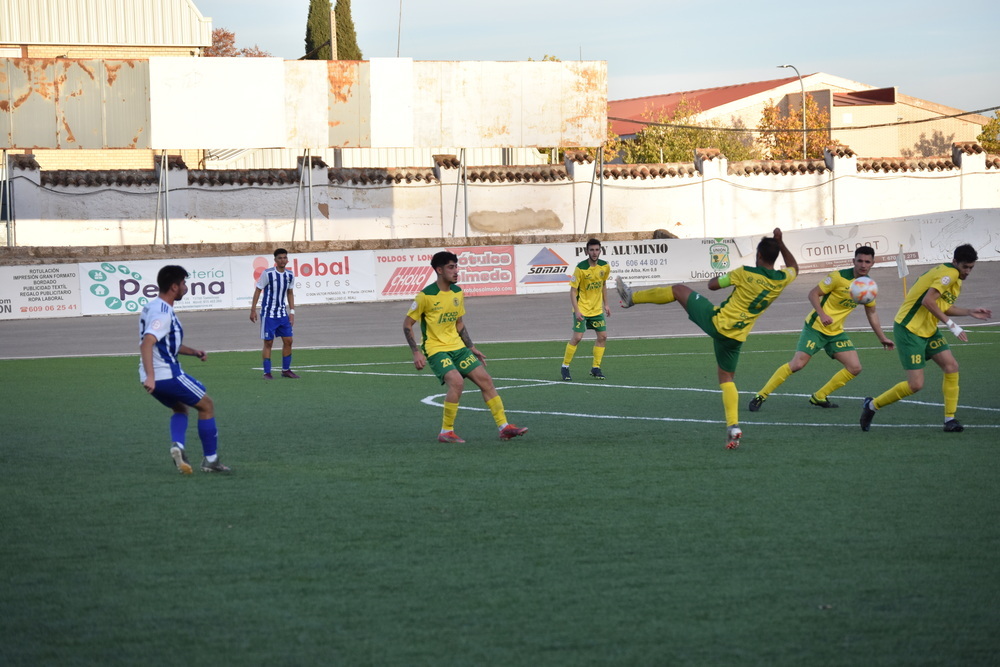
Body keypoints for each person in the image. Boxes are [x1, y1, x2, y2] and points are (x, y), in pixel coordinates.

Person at [616, 228, 798, 449]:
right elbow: (794, 268)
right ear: (775, 257)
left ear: (759, 256)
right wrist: (781, 242)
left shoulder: (745, 273)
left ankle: (631, 298)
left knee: (678, 290)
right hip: (737, 337)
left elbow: (712, 285)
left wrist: (726, 277)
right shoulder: (781, 279)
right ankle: (733, 426)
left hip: (717, 321)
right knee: (727, 378)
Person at [860, 244, 991, 432]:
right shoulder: (950, 274)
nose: (968, 272)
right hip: (909, 329)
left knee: (951, 366)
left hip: (928, 329)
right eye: (965, 267)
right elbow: (927, 301)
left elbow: (942, 307)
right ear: (955, 262)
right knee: (915, 385)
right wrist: (951, 325)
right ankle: (871, 406)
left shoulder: (956, 278)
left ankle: (950, 420)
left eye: (971, 268)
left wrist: (969, 312)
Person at [749, 246, 894, 412]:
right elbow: (813, 294)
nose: (863, 264)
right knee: (797, 364)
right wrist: (822, 314)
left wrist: (882, 337)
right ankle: (761, 395)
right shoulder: (837, 277)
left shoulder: (867, 286)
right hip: (816, 327)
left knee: (855, 367)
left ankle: (819, 396)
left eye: (867, 262)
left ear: (872, 264)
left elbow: (872, 312)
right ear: (853, 261)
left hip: (836, 332)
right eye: (859, 260)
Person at [404, 251, 529, 444]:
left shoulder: (457, 293)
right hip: (436, 349)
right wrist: (416, 352)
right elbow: (407, 325)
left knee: (486, 380)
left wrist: (470, 346)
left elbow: (459, 323)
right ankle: (446, 432)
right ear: (439, 270)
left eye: (456, 267)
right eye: (451, 267)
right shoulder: (425, 296)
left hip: (458, 346)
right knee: (457, 382)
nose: (456, 271)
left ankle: (504, 427)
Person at [139, 265, 231, 474]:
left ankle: (178, 445)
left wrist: (194, 352)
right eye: (183, 284)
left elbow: (167, 344)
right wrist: (152, 377)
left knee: (181, 408)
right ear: (174, 287)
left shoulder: (152, 306)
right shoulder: (163, 313)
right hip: (165, 374)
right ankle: (211, 460)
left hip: (149, 374)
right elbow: (147, 342)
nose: (186, 288)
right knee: (207, 405)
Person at [561, 238, 612, 381]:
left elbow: (603, 285)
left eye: (597, 250)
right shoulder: (581, 268)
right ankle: (565, 366)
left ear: (600, 250)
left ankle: (596, 367)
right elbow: (572, 291)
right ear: (586, 251)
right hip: (582, 309)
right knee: (577, 338)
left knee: (603, 337)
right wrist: (577, 310)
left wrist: (606, 304)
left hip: (596, 310)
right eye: (592, 250)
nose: (594, 253)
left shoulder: (605, 267)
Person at [250, 248, 299, 379]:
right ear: (275, 260)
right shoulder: (268, 273)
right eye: (280, 258)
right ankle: (267, 372)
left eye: (284, 258)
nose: (282, 260)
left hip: (282, 313)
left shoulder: (290, 275)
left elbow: (290, 293)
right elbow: (258, 290)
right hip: (268, 314)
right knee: (268, 343)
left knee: (289, 340)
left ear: (287, 260)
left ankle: (286, 370)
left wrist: (292, 312)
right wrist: (253, 309)